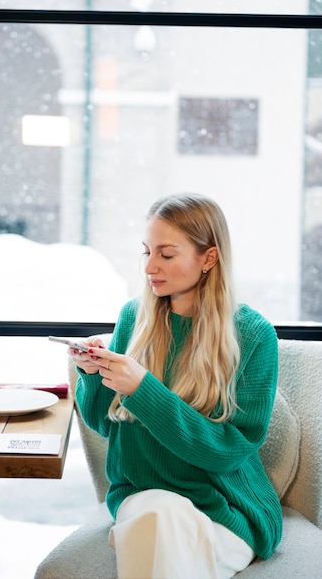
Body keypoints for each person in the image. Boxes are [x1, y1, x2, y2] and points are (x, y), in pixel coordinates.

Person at [69, 193, 282, 579]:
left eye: (166, 254)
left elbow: (229, 453)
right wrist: (94, 375)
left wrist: (144, 391)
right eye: (147, 252)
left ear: (209, 258)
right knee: (158, 518)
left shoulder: (253, 336)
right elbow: (104, 424)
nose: (150, 266)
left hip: (225, 508)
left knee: (156, 541)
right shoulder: (133, 318)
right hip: (145, 497)